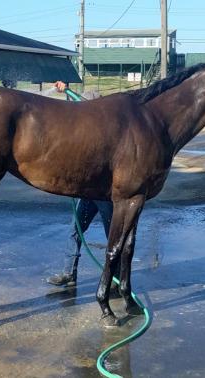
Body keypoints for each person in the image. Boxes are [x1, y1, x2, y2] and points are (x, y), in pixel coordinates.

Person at [46, 81, 114, 286]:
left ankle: (115, 277)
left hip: (104, 193)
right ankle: (69, 273)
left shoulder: (107, 133)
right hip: (87, 192)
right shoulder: (86, 134)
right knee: (74, 231)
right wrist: (66, 91)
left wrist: (69, 92)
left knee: (112, 234)